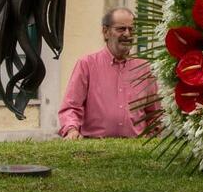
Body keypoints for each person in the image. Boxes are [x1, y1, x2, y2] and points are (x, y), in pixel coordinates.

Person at [57, 7, 159, 139]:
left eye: (131, 29)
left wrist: (151, 136)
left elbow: (154, 114)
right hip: (94, 149)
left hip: (136, 150)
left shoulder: (144, 69)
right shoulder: (86, 65)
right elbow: (71, 107)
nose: (127, 34)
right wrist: (71, 130)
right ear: (106, 32)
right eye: (121, 29)